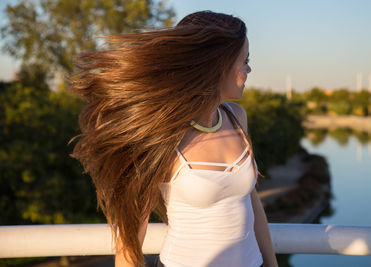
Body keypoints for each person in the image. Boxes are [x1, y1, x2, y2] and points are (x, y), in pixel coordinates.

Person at [67, 10, 278, 267]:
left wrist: (271, 263)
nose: (249, 68)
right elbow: (131, 239)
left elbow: (251, 201)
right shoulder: (165, 134)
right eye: (244, 60)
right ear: (217, 65)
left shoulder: (236, 117)